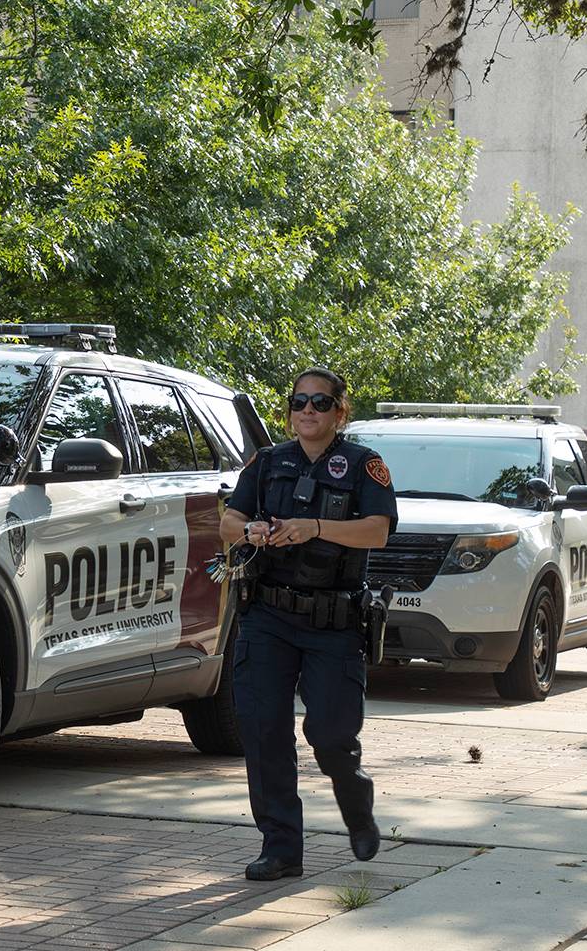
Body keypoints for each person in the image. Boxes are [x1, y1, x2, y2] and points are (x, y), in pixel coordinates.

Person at [220, 368, 395, 881]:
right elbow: (229, 521)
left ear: (341, 411)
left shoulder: (365, 466)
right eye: (299, 402)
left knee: (331, 736)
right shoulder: (269, 462)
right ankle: (281, 848)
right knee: (263, 730)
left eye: (320, 403)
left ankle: (356, 806)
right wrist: (250, 529)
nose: (308, 412)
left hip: (332, 622)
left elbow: (378, 532)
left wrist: (316, 527)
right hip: (268, 617)